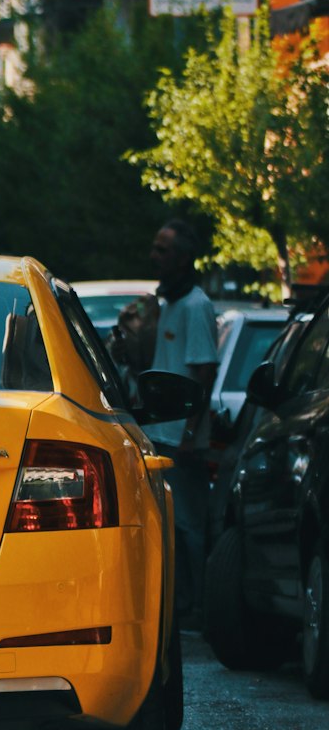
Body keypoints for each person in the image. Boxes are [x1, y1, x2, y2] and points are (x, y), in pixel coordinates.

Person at [143, 218, 218, 625]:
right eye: (155, 248)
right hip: (158, 434)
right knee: (168, 526)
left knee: (189, 525)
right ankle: (178, 603)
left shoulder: (195, 306)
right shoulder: (167, 304)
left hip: (181, 440)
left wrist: (190, 434)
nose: (155, 257)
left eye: (163, 250)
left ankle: (199, 609)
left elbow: (203, 372)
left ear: (184, 258)